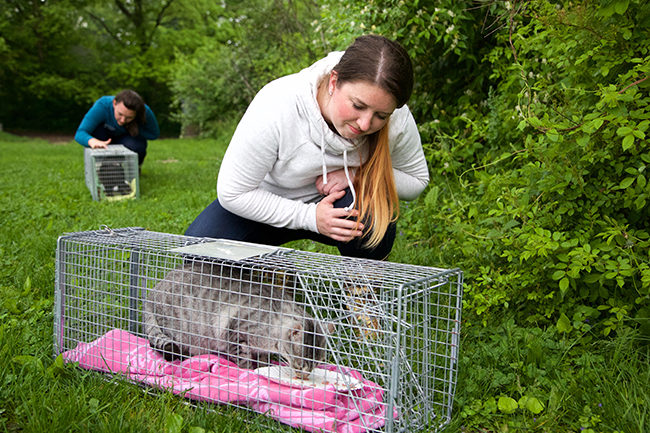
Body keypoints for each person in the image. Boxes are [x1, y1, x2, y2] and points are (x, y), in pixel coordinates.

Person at [185, 35, 430, 260]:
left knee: (370, 219)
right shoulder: (277, 104)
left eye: (381, 115)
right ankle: (269, 273)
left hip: (339, 208)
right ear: (334, 81)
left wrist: (357, 174)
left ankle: (361, 290)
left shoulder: (397, 116)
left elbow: (417, 180)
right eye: (357, 105)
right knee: (198, 249)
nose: (366, 123)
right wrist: (310, 217)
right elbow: (233, 193)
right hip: (268, 201)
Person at [75, 89, 160, 165]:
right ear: (114, 103)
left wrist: (133, 128)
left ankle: (133, 168)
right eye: (120, 114)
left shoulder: (145, 111)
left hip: (127, 138)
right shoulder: (102, 105)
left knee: (137, 145)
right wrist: (92, 141)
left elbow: (154, 134)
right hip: (104, 137)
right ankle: (104, 165)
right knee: (97, 131)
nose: (123, 120)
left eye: (129, 117)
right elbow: (80, 133)